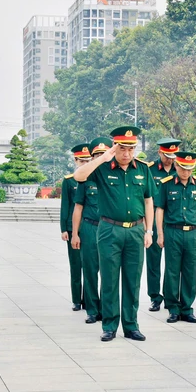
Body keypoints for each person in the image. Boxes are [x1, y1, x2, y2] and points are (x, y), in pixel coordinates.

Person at [73, 126, 155, 342]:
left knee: (132, 280)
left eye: (131, 149)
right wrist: (102, 158)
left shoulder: (143, 170)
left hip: (136, 230)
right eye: (122, 149)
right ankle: (109, 326)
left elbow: (148, 201)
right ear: (115, 148)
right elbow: (78, 175)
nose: (127, 153)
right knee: (109, 279)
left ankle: (131, 325)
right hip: (110, 229)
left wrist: (149, 230)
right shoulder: (103, 169)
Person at [154, 151, 196, 324]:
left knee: (190, 271)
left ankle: (187, 308)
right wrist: (160, 233)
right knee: (172, 271)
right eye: (183, 168)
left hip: (193, 232)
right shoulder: (166, 184)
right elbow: (160, 209)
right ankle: (173, 308)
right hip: (173, 231)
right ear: (176, 166)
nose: (186, 172)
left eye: (189, 169)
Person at [71, 137, 111, 324]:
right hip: (89, 228)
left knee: (108, 271)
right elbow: (78, 208)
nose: (101, 157)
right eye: (97, 155)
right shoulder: (86, 178)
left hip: (109, 229)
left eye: (104, 154)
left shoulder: (114, 177)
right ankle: (92, 310)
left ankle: (106, 308)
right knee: (90, 269)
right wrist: (75, 233)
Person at [145, 138, 181, 312]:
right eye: (167, 156)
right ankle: (154, 296)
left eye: (173, 156)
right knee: (153, 260)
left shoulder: (180, 170)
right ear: (160, 152)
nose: (171, 159)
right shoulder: (150, 170)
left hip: (174, 222)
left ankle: (170, 295)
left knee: (173, 262)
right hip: (153, 220)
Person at [61, 144, 92, 311]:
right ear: (75, 160)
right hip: (73, 229)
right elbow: (65, 206)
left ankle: (88, 299)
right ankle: (76, 300)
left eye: (88, 160)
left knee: (89, 265)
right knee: (75, 266)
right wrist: (64, 229)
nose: (85, 163)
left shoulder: (93, 178)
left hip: (89, 228)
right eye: (82, 160)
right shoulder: (69, 180)